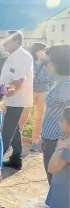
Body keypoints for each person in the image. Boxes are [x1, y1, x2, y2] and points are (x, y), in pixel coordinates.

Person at [0, 30, 33, 170]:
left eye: (8, 40)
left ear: (17, 42)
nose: (4, 43)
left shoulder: (23, 56)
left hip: (17, 99)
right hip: (11, 99)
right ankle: (16, 159)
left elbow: (19, 81)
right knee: (15, 129)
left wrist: (0, 93)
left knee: (6, 132)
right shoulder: (13, 56)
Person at [38, 44, 70, 184]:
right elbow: (51, 113)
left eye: (47, 62)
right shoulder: (58, 83)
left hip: (58, 141)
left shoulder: (66, 87)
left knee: (56, 178)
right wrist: (43, 136)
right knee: (51, 176)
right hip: (50, 138)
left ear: (59, 62)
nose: (44, 65)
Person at [19, 42, 55, 152]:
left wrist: (38, 78)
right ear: (37, 51)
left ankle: (35, 141)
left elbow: (51, 78)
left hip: (43, 91)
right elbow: (25, 77)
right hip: (30, 92)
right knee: (24, 115)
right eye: (43, 50)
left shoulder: (47, 63)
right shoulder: (30, 62)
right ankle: (16, 138)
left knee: (39, 117)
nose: (44, 52)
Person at [45, 106, 70, 208]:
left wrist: (58, 150)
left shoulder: (66, 146)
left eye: (61, 120)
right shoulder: (66, 139)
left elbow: (52, 169)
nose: (59, 122)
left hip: (64, 194)